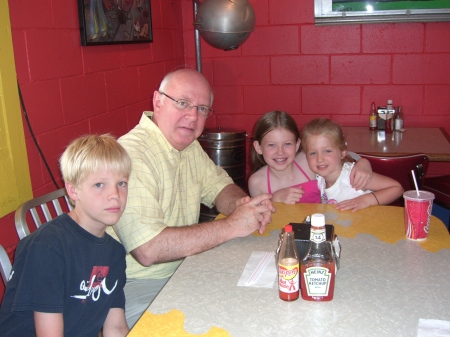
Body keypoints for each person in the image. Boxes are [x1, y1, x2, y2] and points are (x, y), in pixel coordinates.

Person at [107, 68, 275, 328]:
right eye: (183, 103)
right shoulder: (130, 155)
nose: (192, 116)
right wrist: (232, 226)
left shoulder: (187, 145)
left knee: (259, 301)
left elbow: (219, 187)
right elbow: (148, 250)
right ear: (157, 101)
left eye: (202, 109)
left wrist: (245, 207)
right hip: (133, 285)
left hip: (185, 268)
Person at [0, 134, 132, 336]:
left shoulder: (114, 253)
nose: (115, 194)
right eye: (99, 184)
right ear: (72, 190)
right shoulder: (47, 247)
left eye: (121, 183)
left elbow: (115, 327)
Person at [248, 111, 374, 204]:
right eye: (271, 145)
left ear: (297, 144)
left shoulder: (306, 161)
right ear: (258, 147)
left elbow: (336, 155)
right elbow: (260, 220)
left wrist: (363, 162)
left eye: (287, 144)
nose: (280, 152)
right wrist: (276, 199)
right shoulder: (256, 182)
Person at [301, 118, 404, 212]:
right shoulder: (319, 178)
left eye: (327, 151)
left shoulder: (352, 176)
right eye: (313, 153)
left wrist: (365, 200)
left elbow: (396, 188)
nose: (319, 159)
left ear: (342, 153)